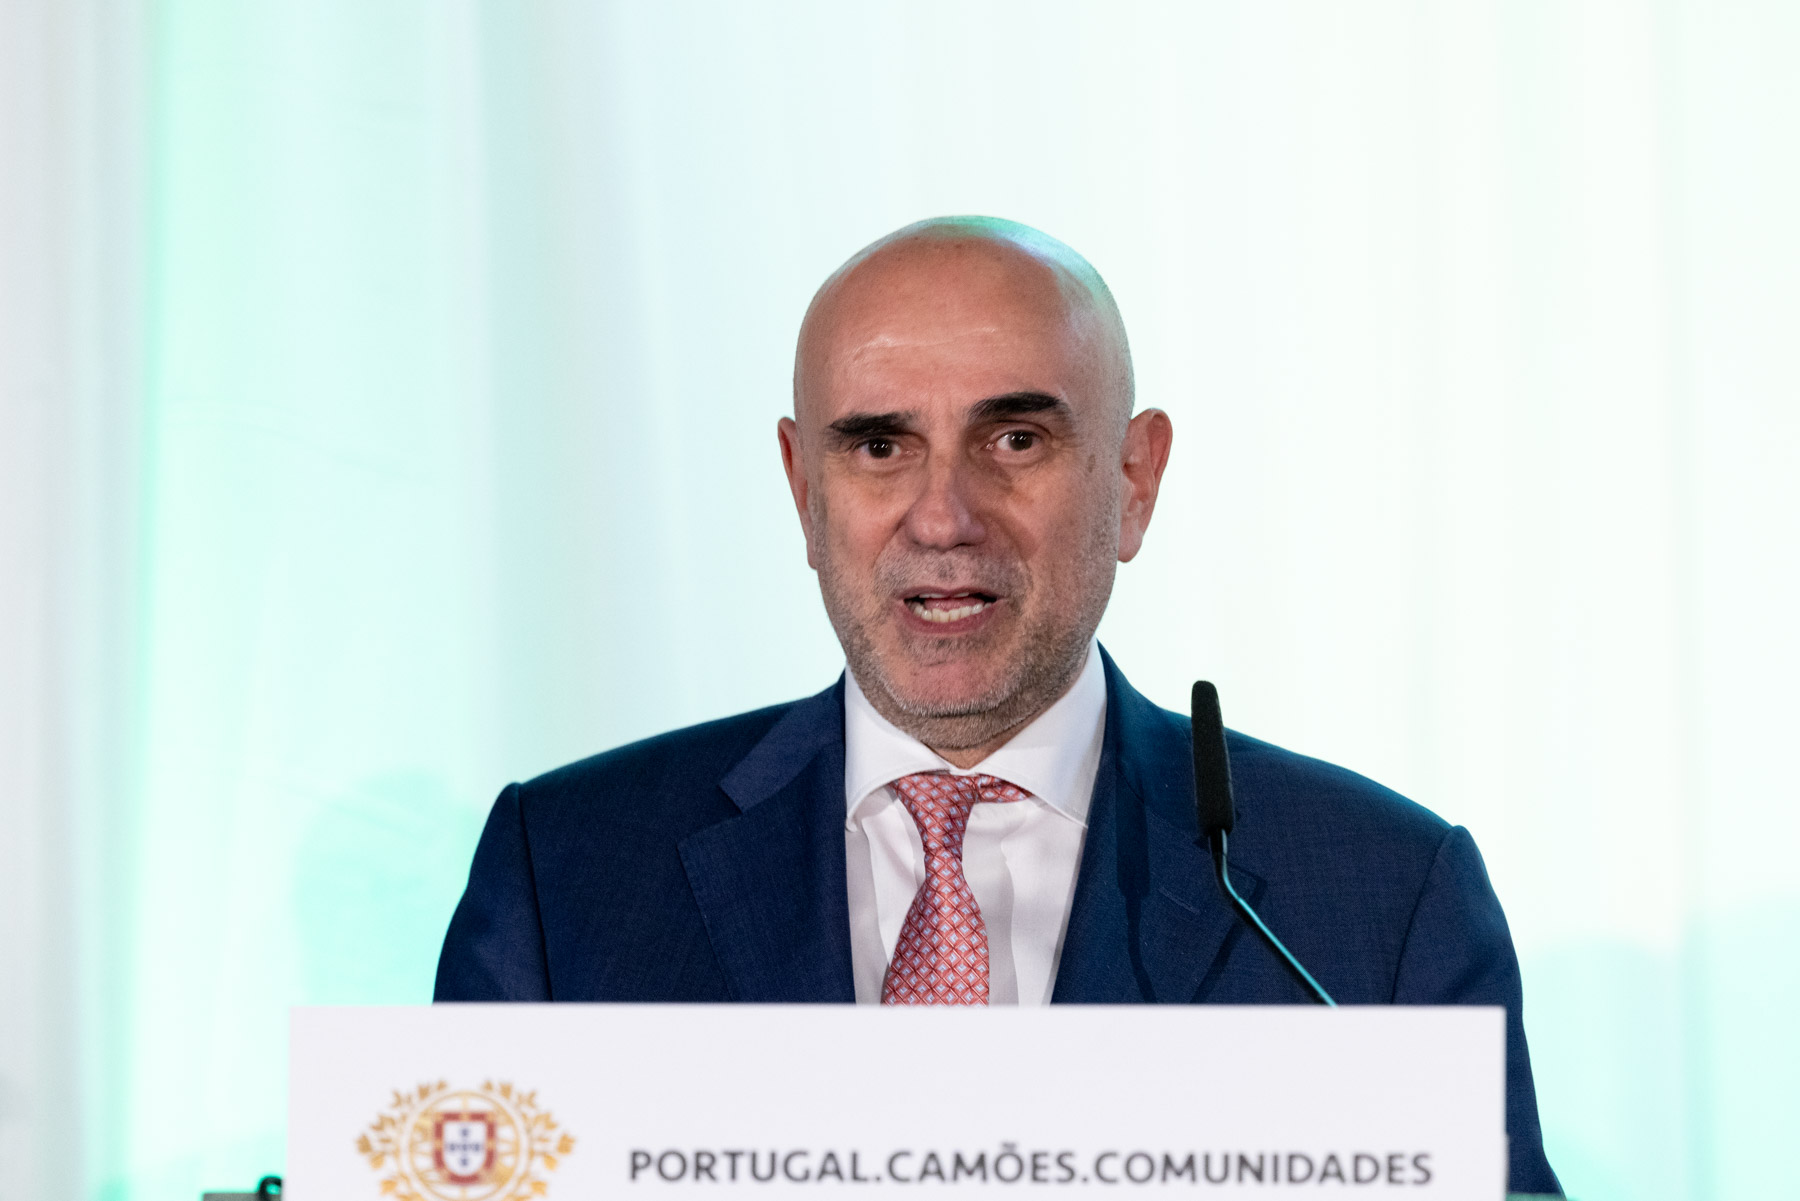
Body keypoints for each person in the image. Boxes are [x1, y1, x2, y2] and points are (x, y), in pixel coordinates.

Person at [435, 216, 1560, 1194]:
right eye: (880, 446)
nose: (943, 518)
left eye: (1015, 440)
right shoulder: (565, 875)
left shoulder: (1377, 901)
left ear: (1134, 480)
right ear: (803, 488)